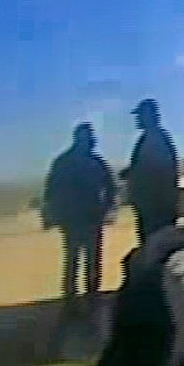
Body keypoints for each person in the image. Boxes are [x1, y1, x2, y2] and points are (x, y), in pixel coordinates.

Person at [41, 122, 117, 304]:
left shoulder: (65, 162)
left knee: (80, 260)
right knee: (81, 260)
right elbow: (51, 191)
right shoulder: (90, 162)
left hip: (82, 218)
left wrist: (106, 207)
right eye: (90, 138)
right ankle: (80, 297)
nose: (93, 141)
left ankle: (80, 297)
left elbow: (50, 191)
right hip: (81, 218)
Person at [123, 98, 180, 242]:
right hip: (152, 206)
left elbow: (157, 174)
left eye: (140, 115)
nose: (137, 119)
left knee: (156, 244)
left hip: (155, 208)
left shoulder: (155, 140)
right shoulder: (150, 139)